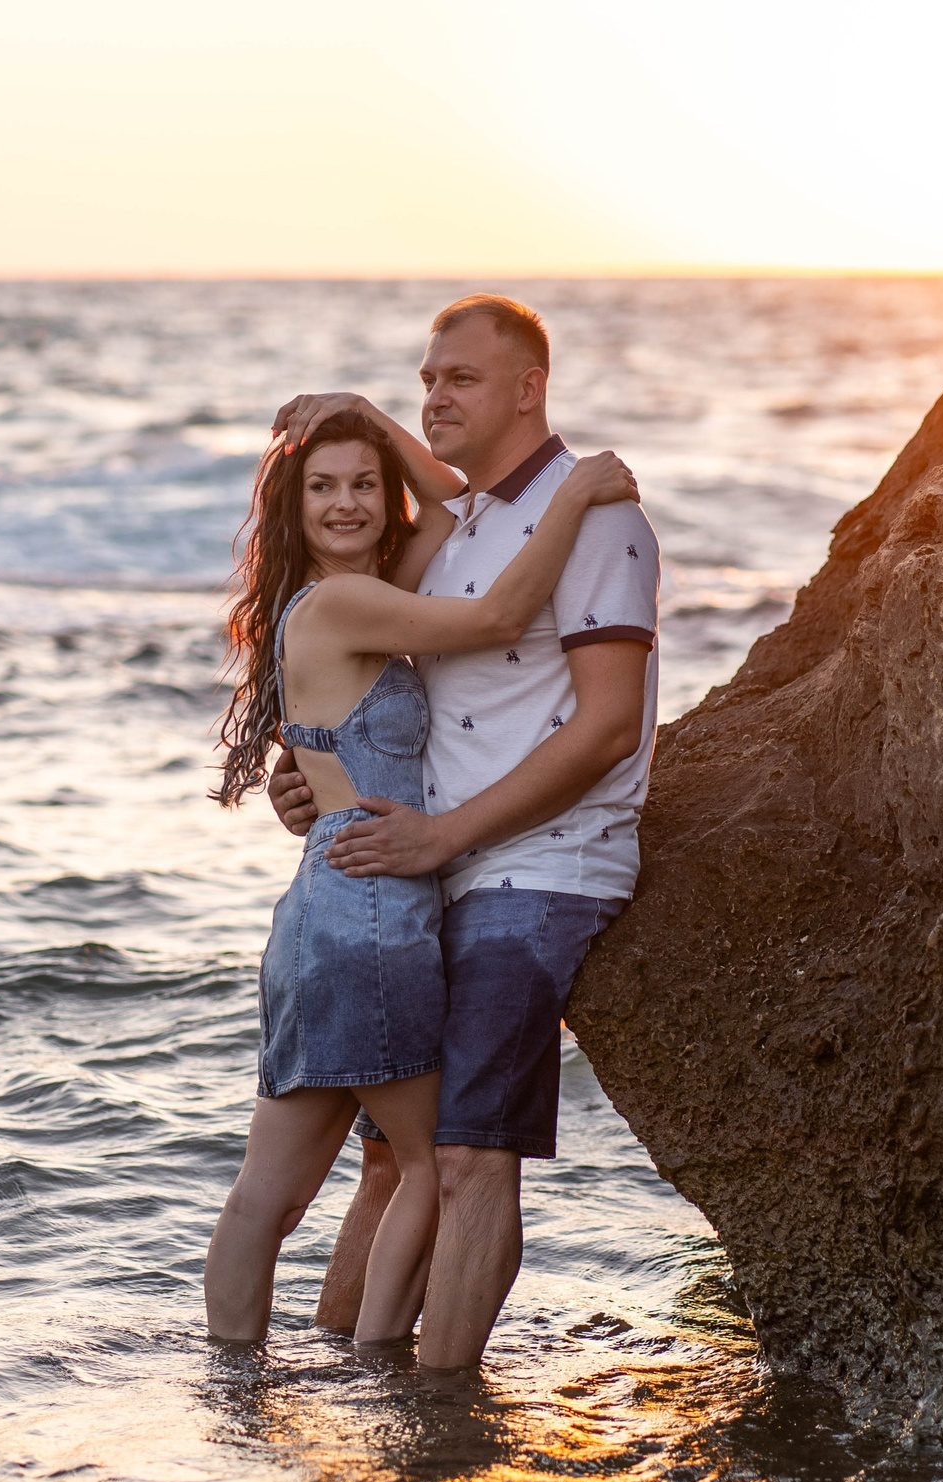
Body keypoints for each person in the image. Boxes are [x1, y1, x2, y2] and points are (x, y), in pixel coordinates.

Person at [265, 294, 662, 1370]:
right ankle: (341, 1378)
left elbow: (608, 725)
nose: (435, 396)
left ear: (528, 388)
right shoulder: (462, 530)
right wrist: (304, 776)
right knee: (390, 1163)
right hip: (424, 877)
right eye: (427, 378)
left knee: (472, 1154)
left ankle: (438, 1419)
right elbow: (363, 683)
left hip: (537, 871)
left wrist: (445, 840)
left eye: (461, 380)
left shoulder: (602, 520)